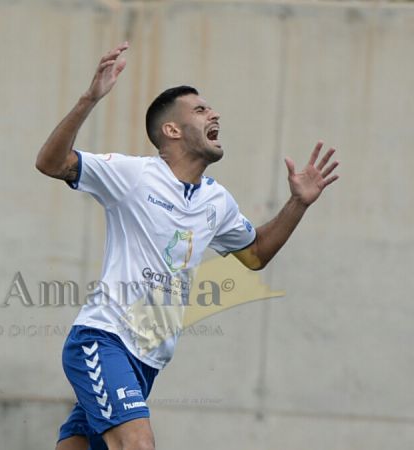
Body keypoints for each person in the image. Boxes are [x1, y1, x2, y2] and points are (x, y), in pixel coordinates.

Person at [35, 42, 339, 450]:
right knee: (139, 445)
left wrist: (298, 203)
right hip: (103, 339)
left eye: (211, 109)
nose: (214, 114)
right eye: (200, 110)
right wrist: (89, 99)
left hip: (148, 361)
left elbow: (255, 254)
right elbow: (51, 162)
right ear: (172, 130)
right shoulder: (133, 174)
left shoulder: (217, 200)